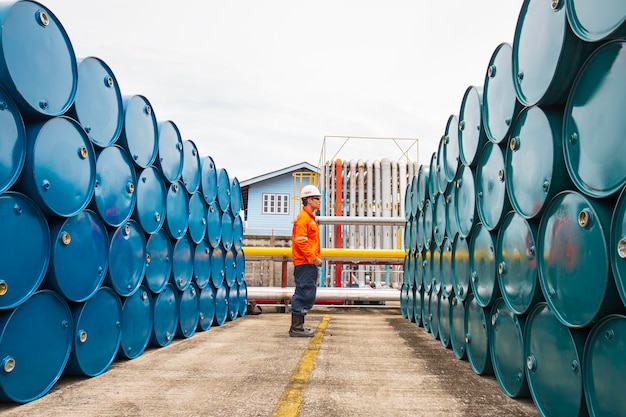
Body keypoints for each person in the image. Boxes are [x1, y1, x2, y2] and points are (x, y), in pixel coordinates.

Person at [289, 184, 323, 337]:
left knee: (307, 292)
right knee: (303, 293)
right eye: (317, 199)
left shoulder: (310, 219)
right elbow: (300, 241)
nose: (319, 201)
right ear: (309, 200)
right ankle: (296, 328)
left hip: (307, 263)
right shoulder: (303, 219)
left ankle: (299, 326)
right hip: (305, 263)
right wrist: (313, 258)